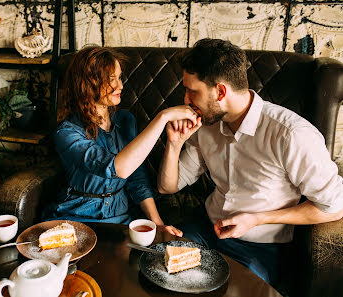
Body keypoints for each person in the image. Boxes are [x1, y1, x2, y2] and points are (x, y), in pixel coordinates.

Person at [157, 38, 343, 285]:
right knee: (157, 268)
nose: (186, 99)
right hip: (204, 229)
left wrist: (257, 218)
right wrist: (174, 143)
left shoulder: (292, 134)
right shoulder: (206, 125)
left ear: (221, 92)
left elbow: (334, 207)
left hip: (260, 248)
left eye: (193, 90)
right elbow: (167, 187)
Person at [46, 45, 198, 236]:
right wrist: (162, 117)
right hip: (75, 219)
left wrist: (158, 224)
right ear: (89, 83)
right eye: (112, 80)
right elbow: (116, 168)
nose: (120, 86)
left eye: (119, 77)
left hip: (121, 219)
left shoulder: (126, 121)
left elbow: (136, 178)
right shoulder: (67, 132)